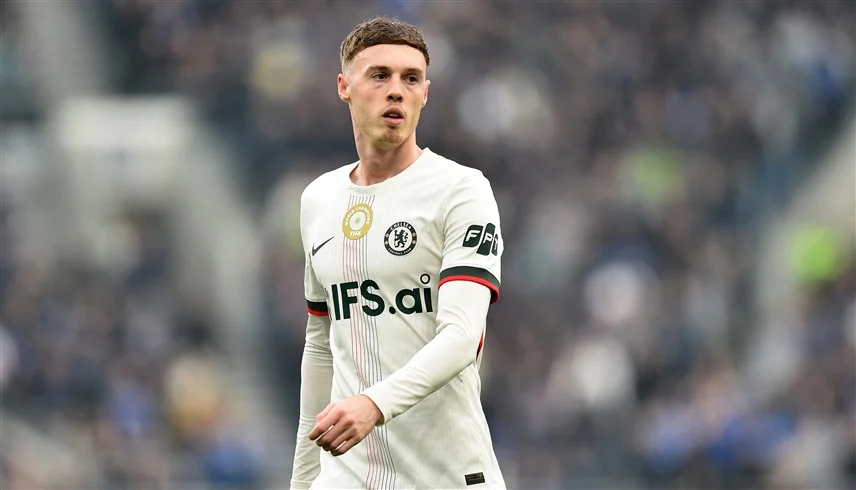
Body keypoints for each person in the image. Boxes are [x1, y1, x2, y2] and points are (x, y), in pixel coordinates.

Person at [290, 16, 506, 490]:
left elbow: (462, 336)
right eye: (379, 75)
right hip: (347, 478)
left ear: (425, 93)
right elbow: (321, 342)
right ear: (344, 87)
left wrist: (374, 404)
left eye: (410, 79)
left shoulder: (461, 190)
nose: (396, 90)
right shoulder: (318, 200)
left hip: (447, 476)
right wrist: (303, 480)